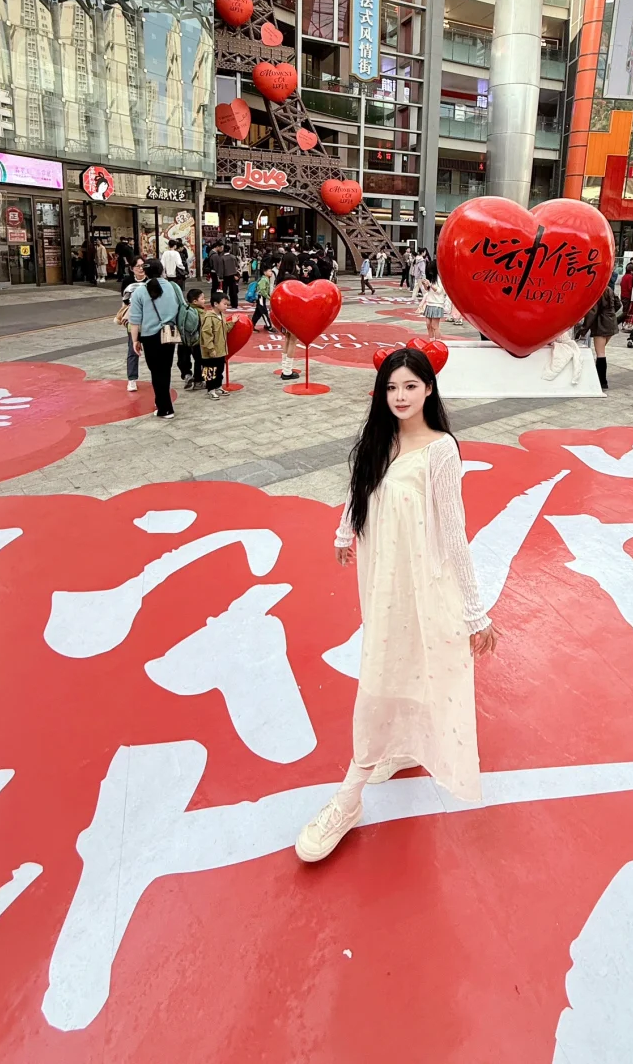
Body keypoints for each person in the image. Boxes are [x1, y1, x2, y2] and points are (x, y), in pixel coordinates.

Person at [295, 348, 497, 863]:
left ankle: (349, 795)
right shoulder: (380, 440)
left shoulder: (441, 451)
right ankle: (402, 746)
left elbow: (455, 534)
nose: (400, 397)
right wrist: (345, 530)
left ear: (429, 389)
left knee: (381, 674)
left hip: (421, 585)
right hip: (380, 582)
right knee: (394, 662)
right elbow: (359, 487)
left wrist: (476, 612)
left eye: (410, 386)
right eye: (392, 388)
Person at [127, 257, 181, 419]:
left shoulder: (140, 292)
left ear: (146, 272)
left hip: (150, 336)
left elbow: (134, 320)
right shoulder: (173, 287)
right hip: (170, 333)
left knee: (156, 372)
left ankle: (165, 408)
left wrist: (135, 341)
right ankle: (162, 403)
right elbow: (181, 307)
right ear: (162, 270)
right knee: (165, 369)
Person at [116, 256, 146, 392]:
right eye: (138, 266)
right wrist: (124, 315)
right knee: (132, 349)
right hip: (133, 320)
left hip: (149, 320)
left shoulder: (150, 280)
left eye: (143, 266)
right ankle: (132, 379)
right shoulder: (127, 282)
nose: (141, 269)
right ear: (132, 269)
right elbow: (125, 301)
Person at [199, 291, 236, 399]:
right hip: (211, 351)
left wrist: (232, 322)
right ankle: (210, 389)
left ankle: (218, 386)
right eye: (224, 304)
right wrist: (211, 348)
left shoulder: (221, 316)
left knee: (219, 369)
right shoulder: (209, 317)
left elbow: (225, 330)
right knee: (210, 370)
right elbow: (206, 334)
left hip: (220, 350)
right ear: (215, 304)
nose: (226, 306)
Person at [582, 283, 619, 390]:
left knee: (600, 353)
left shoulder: (597, 290)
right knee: (601, 351)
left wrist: (584, 329)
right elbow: (618, 303)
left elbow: (592, 313)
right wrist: (610, 313)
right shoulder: (609, 289)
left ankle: (602, 381)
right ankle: (599, 378)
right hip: (611, 322)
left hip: (601, 324)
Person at [274, 251, 302, 381]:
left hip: (282, 313)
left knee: (287, 339)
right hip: (292, 313)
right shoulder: (292, 279)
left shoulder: (280, 277)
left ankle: (285, 367)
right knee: (293, 340)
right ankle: (287, 371)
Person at [177, 287, 205, 389]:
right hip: (197, 341)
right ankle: (198, 381)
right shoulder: (201, 313)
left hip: (183, 340)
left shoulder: (183, 310)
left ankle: (186, 375)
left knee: (183, 359)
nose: (204, 300)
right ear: (195, 301)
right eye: (202, 298)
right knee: (199, 360)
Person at [418, 262, 447, 340]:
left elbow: (439, 291)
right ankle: (431, 341)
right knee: (428, 324)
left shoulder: (439, 278)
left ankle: (438, 342)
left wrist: (430, 284)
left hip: (437, 304)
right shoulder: (431, 278)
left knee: (435, 326)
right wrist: (425, 284)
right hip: (429, 303)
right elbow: (427, 290)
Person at [252, 264, 274, 331]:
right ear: (265, 272)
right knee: (264, 312)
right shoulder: (264, 280)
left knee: (258, 313)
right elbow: (262, 290)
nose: (271, 273)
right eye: (269, 271)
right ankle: (269, 326)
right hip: (261, 297)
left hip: (261, 297)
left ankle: (251, 325)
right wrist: (268, 297)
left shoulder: (265, 279)